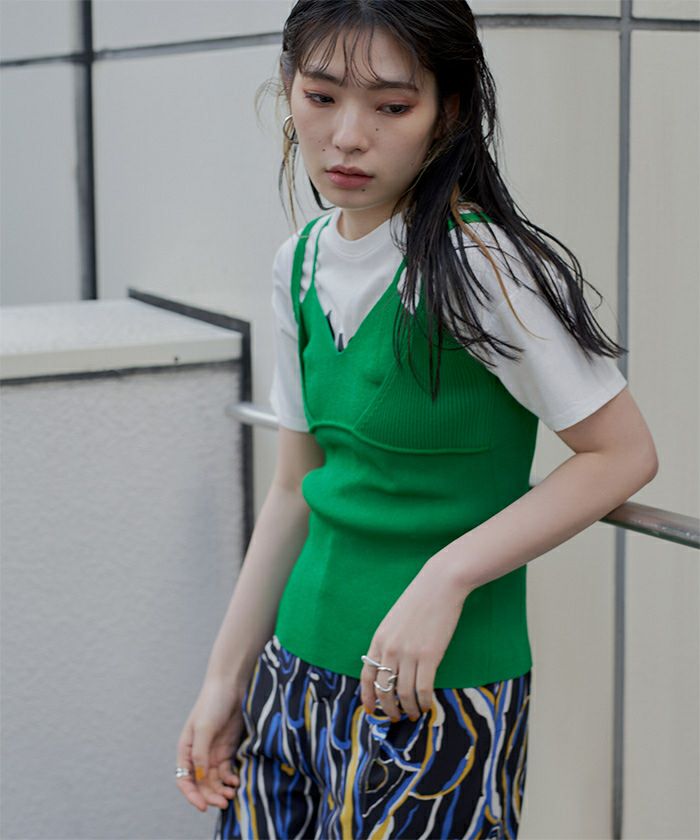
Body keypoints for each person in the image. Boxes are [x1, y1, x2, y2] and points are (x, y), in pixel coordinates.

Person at [175, 2, 659, 837]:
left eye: (392, 106)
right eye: (321, 97)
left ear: (449, 110)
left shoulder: (480, 263)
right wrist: (225, 679)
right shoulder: (300, 261)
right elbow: (295, 490)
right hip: (291, 674)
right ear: (287, 90)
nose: (348, 137)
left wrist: (446, 576)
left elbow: (621, 454)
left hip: (433, 699)